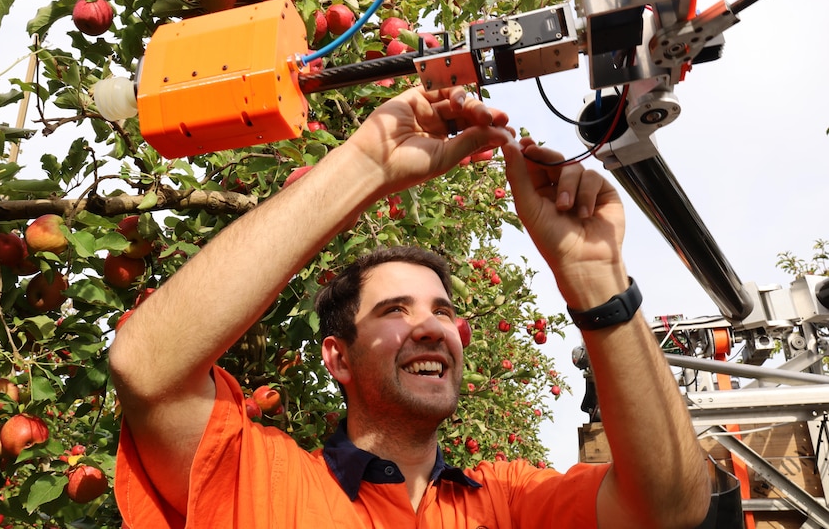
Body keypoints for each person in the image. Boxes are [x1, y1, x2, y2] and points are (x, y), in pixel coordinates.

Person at [109, 85, 712, 528]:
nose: (430, 326)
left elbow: (670, 509)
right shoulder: (263, 485)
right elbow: (147, 369)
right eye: (394, 310)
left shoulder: (509, 501)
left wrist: (594, 275)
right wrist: (365, 165)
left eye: (442, 311)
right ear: (337, 359)